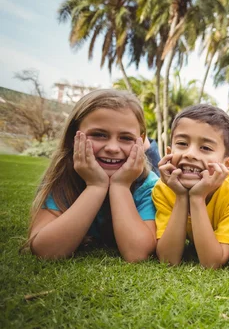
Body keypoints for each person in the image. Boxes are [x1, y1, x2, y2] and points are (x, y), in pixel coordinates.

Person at [26, 89, 158, 262]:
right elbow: (46, 251)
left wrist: (120, 186)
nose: (112, 148)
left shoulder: (147, 185)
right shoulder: (64, 178)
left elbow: (137, 254)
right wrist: (95, 187)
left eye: (125, 138)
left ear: (140, 141)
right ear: (74, 137)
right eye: (99, 135)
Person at [152, 104, 229, 268]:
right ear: (169, 151)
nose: (190, 154)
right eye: (182, 143)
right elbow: (168, 259)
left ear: (227, 164)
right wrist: (181, 196)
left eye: (205, 148)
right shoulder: (164, 188)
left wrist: (198, 197)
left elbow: (212, 263)